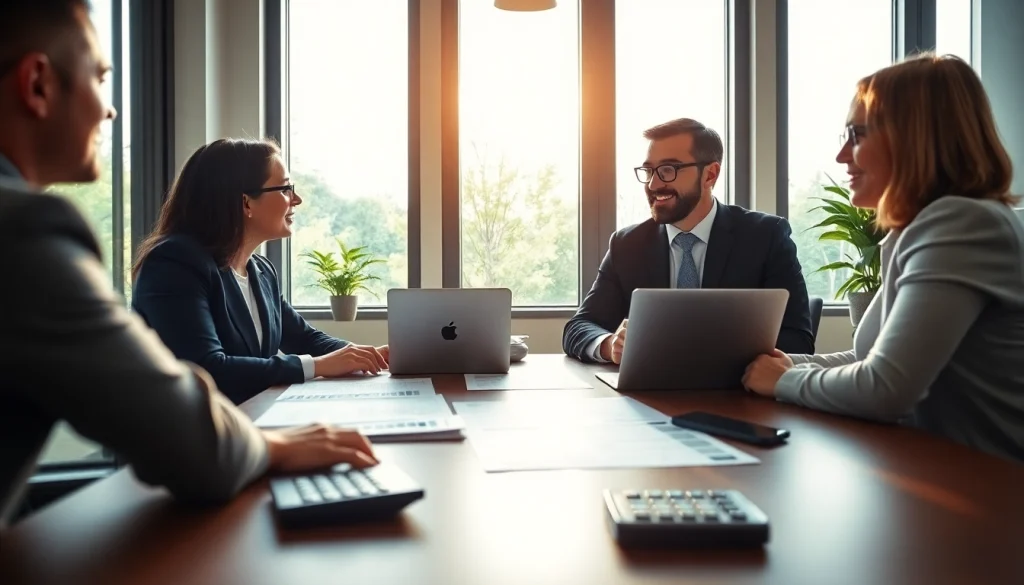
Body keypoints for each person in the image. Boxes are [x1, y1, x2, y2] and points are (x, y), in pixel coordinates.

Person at [0, 0, 378, 529]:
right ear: (38, 83)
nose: (109, 110)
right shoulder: (25, 232)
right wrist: (275, 448)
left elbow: (298, 336)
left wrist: (375, 355)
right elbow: (175, 414)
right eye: (101, 79)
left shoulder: (261, 271)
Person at [742, 54, 1024, 463]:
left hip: (991, 491)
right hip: (939, 473)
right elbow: (867, 357)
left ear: (915, 137)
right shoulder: (916, 229)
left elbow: (886, 387)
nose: (842, 156)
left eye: (856, 135)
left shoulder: (962, 223)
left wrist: (785, 381)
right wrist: (791, 363)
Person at [131, 138, 389, 405]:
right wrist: (316, 366)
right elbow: (206, 368)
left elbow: (303, 337)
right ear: (246, 203)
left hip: (243, 424)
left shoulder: (261, 271)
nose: (296, 199)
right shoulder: (174, 262)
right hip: (180, 441)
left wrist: (368, 356)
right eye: (285, 188)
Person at [562, 118, 814, 364]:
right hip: (645, 396)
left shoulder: (765, 236)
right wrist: (609, 344)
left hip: (738, 395)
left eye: (668, 170)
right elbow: (579, 327)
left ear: (710, 175)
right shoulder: (627, 244)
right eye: (649, 170)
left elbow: (799, 340)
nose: (653, 183)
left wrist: (710, 353)